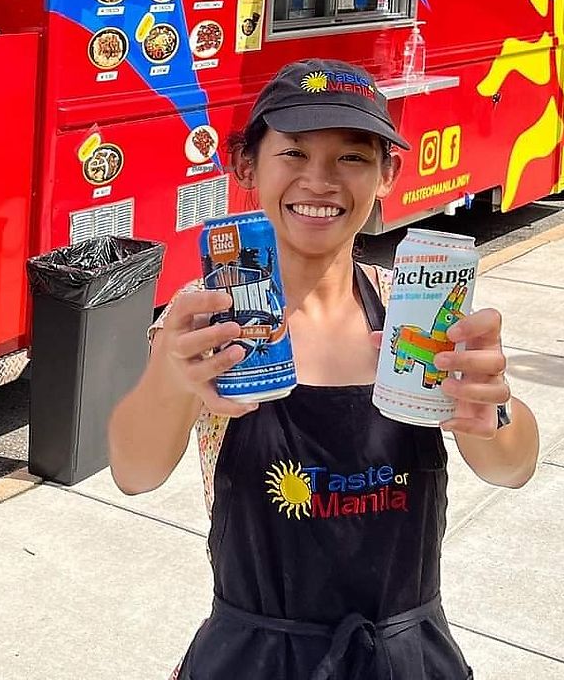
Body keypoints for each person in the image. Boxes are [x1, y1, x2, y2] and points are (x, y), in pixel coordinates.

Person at [108, 59, 540, 680]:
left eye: (351, 157)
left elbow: (512, 468)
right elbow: (134, 473)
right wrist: (170, 380)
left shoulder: (412, 313)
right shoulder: (210, 324)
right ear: (247, 167)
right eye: (294, 153)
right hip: (253, 659)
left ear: (388, 174)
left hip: (403, 659)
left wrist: (491, 409)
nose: (319, 180)